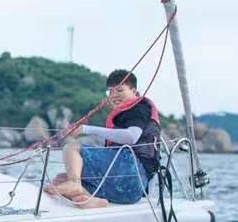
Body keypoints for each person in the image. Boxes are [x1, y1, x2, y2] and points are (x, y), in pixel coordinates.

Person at [48, 68, 162, 209]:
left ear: (134, 91)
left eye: (120, 90)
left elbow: (132, 137)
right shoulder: (124, 114)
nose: (114, 95)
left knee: (72, 147)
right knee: (60, 180)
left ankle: (76, 185)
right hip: (129, 189)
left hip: (133, 175)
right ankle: (93, 200)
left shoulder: (139, 108)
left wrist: (87, 129)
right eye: (110, 91)